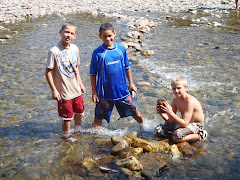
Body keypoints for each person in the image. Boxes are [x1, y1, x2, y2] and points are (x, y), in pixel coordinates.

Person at [90, 23, 144, 127]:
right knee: (99, 116)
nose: (107, 39)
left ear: (114, 34)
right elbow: (93, 74)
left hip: (122, 91)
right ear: (99, 36)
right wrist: (94, 92)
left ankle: (143, 126)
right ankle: (95, 134)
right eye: (104, 36)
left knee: (134, 109)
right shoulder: (97, 53)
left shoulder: (121, 49)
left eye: (110, 36)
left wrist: (131, 84)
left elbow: (127, 67)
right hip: (104, 93)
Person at [45, 22, 86, 143]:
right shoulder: (54, 51)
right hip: (63, 91)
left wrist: (81, 83)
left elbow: (76, 68)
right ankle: (66, 136)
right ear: (60, 32)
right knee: (67, 116)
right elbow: (47, 72)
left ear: (75, 36)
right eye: (66, 32)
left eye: (71, 33)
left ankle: (78, 130)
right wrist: (54, 90)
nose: (68, 35)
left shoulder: (75, 48)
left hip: (76, 89)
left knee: (79, 112)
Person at [155, 76, 207, 142]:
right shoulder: (175, 101)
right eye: (174, 88)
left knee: (177, 136)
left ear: (186, 88)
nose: (176, 91)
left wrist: (170, 112)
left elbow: (185, 123)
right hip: (184, 121)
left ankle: (200, 135)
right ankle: (178, 133)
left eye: (179, 88)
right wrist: (162, 113)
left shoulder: (190, 102)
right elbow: (170, 120)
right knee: (159, 130)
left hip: (196, 124)